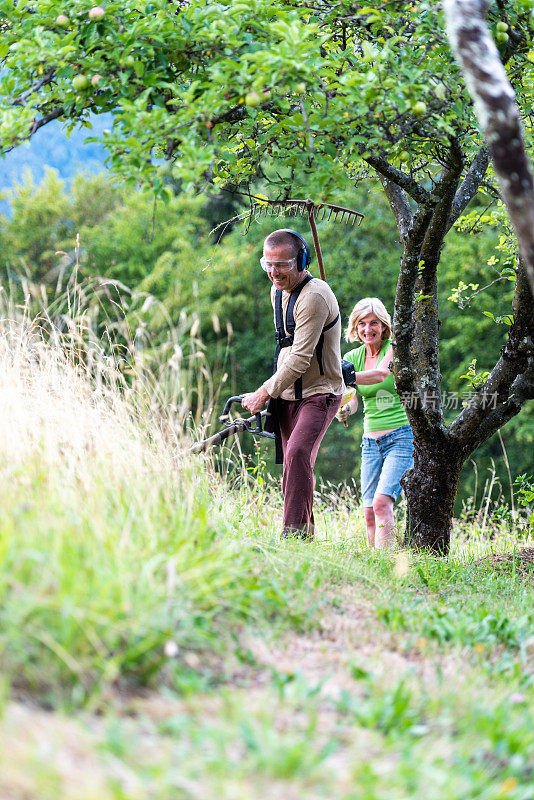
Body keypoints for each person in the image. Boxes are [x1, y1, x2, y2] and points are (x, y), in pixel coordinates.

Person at [241, 229, 343, 540]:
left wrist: (263, 392)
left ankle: (293, 536)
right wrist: (274, 392)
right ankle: (305, 535)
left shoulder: (314, 296)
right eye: (268, 265)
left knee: (298, 454)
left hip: (319, 393)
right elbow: (286, 346)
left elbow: (300, 357)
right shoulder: (278, 292)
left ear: (300, 261)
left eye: (282, 264)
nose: (274, 273)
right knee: (293, 466)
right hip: (287, 395)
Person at [337, 297, 413, 549]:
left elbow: (380, 374)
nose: (367, 329)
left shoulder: (395, 349)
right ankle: (375, 564)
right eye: (362, 324)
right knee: (369, 510)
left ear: (383, 326)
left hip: (401, 437)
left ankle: (387, 560)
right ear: (355, 328)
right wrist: (346, 408)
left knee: (382, 502)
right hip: (370, 442)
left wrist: (337, 373)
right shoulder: (352, 357)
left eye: (373, 323)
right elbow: (354, 398)